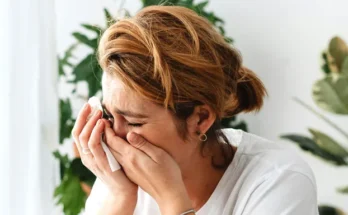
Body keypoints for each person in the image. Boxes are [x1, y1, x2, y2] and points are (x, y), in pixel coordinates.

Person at [72, 5, 318, 215]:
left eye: (134, 123)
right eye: (108, 115)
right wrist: (118, 198)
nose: (113, 134)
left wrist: (172, 200)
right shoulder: (117, 183)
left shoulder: (278, 180)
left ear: (200, 119)